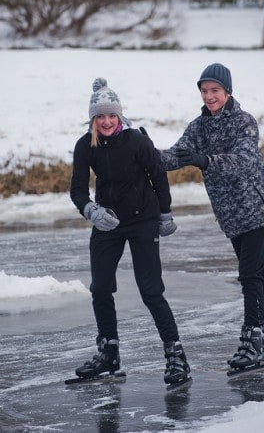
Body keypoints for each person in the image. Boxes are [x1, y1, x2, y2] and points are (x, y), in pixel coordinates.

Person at [157, 63, 264, 370]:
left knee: (250, 274)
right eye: (204, 91)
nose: (209, 96)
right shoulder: (198, 127)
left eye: (215, 90)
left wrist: (204, 160)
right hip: (230, 214)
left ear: (227, 91)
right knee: (260, 271)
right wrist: (144, 151)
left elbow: (241, 160)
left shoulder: (244, 122)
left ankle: (252, 339)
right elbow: (175, 155)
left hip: (256, 208)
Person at [70, 77, 190, 385]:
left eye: (112, 115)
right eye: (101, 116)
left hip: (142, 219)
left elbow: (158, 175)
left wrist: (165, 213)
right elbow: (77, 190)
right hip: (107, 220)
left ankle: (176, 355)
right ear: (93, 119)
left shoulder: (136, 140)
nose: (107, 121)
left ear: (120, 116)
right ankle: (109, 353)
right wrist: (92, 211)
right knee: (100, 287)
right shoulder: (85, 146)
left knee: (150, 289)